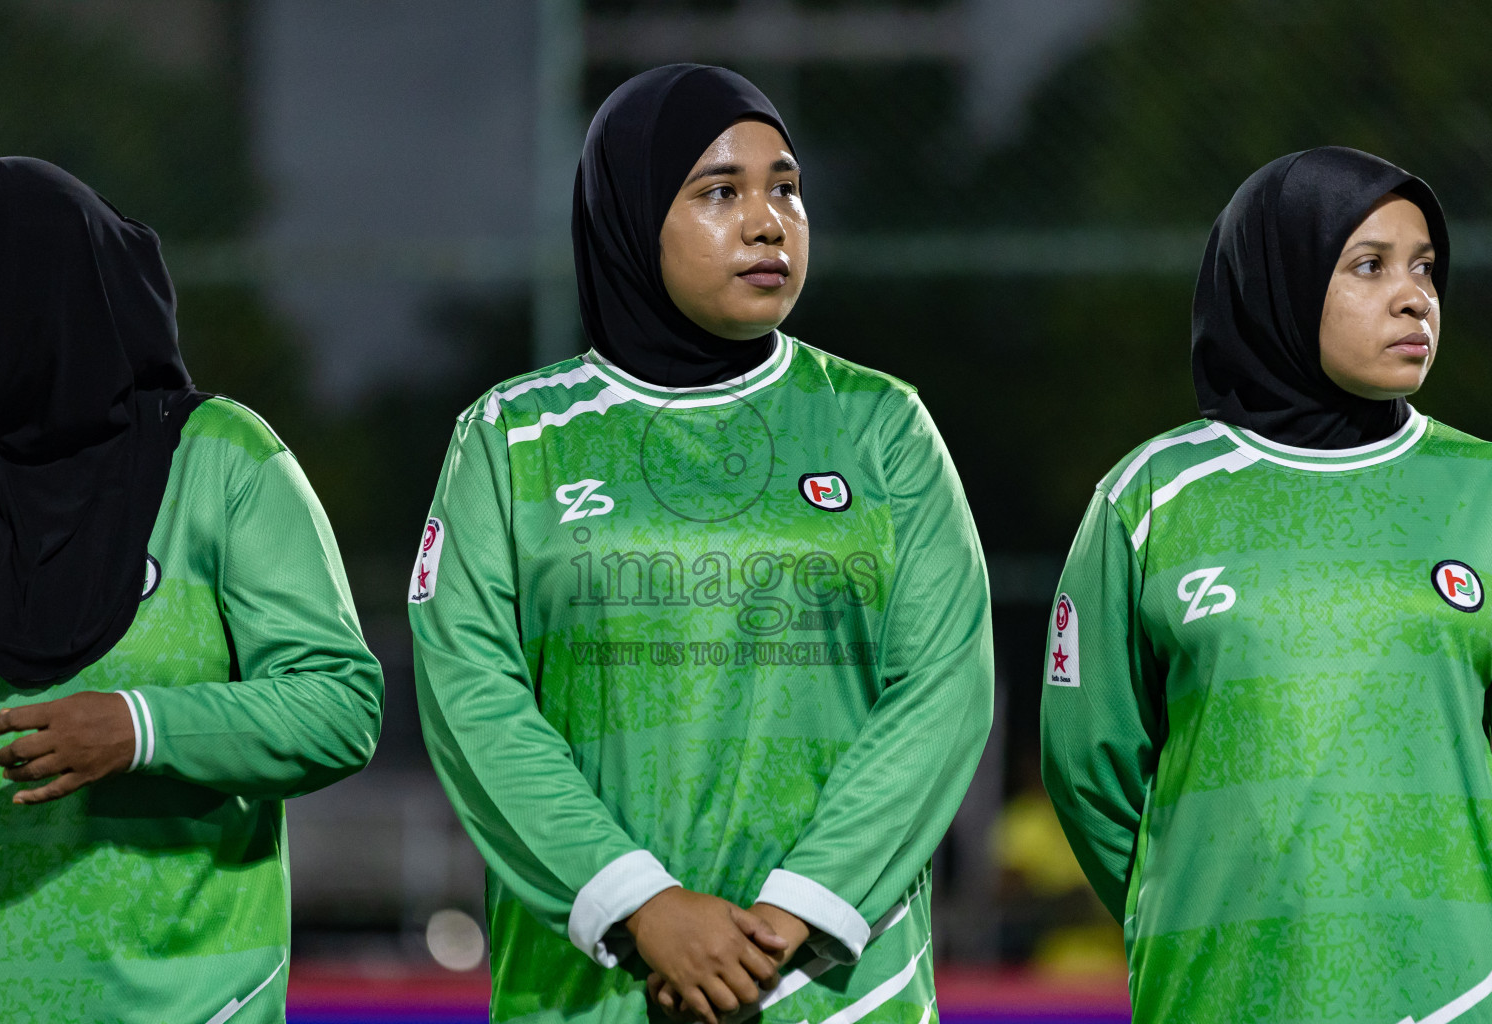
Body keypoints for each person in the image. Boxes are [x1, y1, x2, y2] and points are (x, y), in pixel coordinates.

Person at [411, 64, 992, 1023]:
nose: (768, 223)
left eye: (786, 189)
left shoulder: (881, 424)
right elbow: (471, 697)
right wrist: (639, 904)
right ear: (633, 217)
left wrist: (793, 914)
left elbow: (942, 688)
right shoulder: (510, 439)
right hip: (594, 991)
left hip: (836, 991)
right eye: (721, 192)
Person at [1041, 146, 1492, 1023]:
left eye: (1425, 267)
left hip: (1454, 992)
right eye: (1370, 266)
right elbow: (1088, 767)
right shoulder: (1152, 496)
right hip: (1219, 986)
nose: (1416, 298)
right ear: (1278, 279)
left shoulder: (1479, 488)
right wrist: (1201, 901)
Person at [0, 158, 384, 1021]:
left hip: (188, 1004)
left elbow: (340, 705)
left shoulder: (221, 460)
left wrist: (143, 728)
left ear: (17, 312)